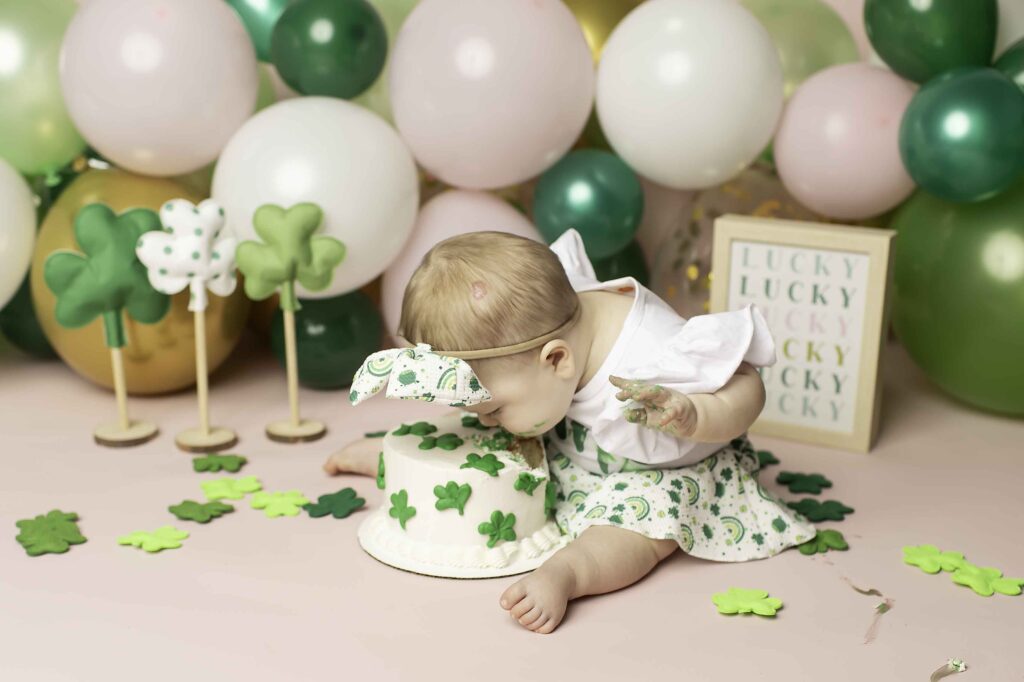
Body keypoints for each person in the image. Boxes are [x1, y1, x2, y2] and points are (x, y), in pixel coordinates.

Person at [325, 229, 814, 634]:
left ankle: (570, 572)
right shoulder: (541, 331)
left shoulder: (653, 353)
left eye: (492, 407)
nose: (486, 416)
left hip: (655, 475)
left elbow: (748, 386)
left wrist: (697, 415)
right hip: (569, 437)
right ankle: (407, 460)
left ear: (556, 358)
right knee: (497, 435)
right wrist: (491, 412)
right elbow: (499, 403)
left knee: (631, 527)